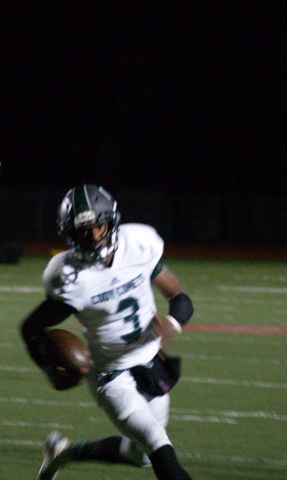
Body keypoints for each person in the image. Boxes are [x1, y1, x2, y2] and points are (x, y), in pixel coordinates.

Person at [21, 184, 195, 480]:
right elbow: (32, 327)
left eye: (99, 226)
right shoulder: (70, 276)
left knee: (141, 455)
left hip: (151, 364)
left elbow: (179, 297)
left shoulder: (138, 244)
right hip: (112, 376)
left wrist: (172, 324)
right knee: (158, 445)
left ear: (111, 222)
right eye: (83, 230)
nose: (93, 236)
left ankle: (64, 453)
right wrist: (49, 365)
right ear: (69, 233)